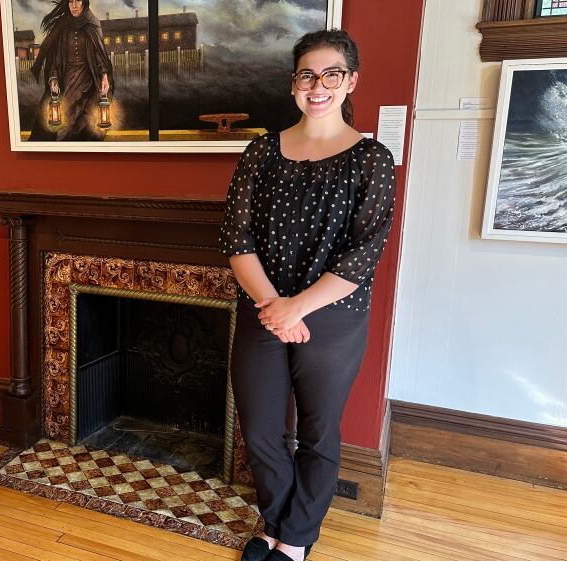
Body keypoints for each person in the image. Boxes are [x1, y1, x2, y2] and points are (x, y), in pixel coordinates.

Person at [220, 29, 396, 561]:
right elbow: (235, 238)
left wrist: (297, 307)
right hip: (261, 310)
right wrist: (274, 307)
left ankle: (295, 539)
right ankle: (274, 520)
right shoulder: (261, 152)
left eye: (330, 74)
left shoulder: (372, 159)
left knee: (318, 433)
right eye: (306, 75)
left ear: (350, 82)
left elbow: (365, 255)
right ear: (293, 84)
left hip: (333, 319)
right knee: (261, 430)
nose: (317, 86)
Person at [30, 0, 113, 141]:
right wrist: (54, 77)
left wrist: (104, 76)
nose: (74, 5)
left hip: (88, 75)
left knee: (84, 114)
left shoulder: (93, 23)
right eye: (71, 1)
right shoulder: (62, 25)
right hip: (66, 75)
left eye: (78, 0)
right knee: (66, 112)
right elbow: (56, 56)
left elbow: (100, 54)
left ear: (84, 2)